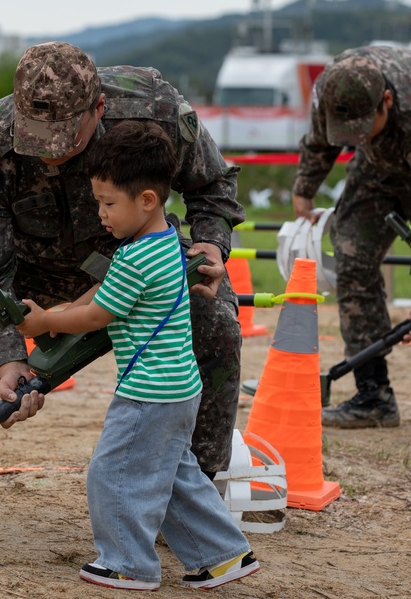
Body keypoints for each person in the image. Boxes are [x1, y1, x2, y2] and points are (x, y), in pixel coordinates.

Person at [0, 41, 245, 525]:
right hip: (25, 271)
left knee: (215, 322)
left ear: (99, 109)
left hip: (132, 263)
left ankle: (193, 499)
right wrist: (10, 358)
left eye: (65, 141)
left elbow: (214, 187)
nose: (50, 157)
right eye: (34, 140)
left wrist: (211, 245)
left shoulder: (153, 111)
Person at [15, 120, 259, 590]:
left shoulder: (133, 258)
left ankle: (129, 563)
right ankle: (224, 556)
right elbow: (101, 298)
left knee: (114, 473)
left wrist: (45, 321)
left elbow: (96, 317)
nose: (101, 214)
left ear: (146, 199)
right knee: (174, 477)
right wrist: (64, 309)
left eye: (108, 204)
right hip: (179, 388)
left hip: (148, 393)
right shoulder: (167, 241)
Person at [292, 45, 411, 428]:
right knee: (351, 257)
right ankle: (373, 396)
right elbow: (318, 140)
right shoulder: (332, 89)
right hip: (375, 171)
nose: (356, 138)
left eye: (363, 129)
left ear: (386, 102)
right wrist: (305, 189)